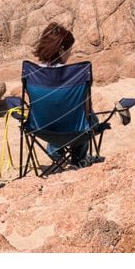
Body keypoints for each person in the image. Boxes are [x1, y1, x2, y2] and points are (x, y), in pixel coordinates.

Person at [32, 22, 92, 167]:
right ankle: (78, 161)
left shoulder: (33, 73)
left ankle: (56, 153)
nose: (70, 53)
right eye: (69, 50)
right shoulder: (75, 75)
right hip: (74, 130)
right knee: (87, 117)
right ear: (61, 51)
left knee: (57, 114)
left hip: (42, 128)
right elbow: (87, 108)